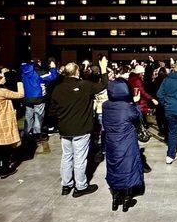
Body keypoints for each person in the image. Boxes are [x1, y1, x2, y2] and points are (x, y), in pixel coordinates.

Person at [50, 57, 109, 197]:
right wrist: (104, 69)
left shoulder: (58, 89)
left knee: (66, 157)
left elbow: (52, 111)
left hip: (65, 129)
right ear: (77, 72)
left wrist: (63, 116)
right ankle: (80, 186)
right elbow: (103, 85)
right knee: (80, 158)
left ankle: (66, 184)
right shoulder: (84, 85)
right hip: (81, 128)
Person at [102, 78, 143, 212]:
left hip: (111, 142)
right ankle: (126, 198)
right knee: (128, 167)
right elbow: (137, 116)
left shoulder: (105, 105)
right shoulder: (128, 106)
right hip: (126, 141)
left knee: (114, 168)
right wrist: (134, 102)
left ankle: (115, 199)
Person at [21, 60, 57, 141]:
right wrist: (53, 68)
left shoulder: (23, 71)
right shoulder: (38, 70)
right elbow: (52, 77)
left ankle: (27, 133)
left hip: (27, 97)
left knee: (28, 115)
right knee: (38, 116)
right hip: (38, 97)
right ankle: (37, 134)